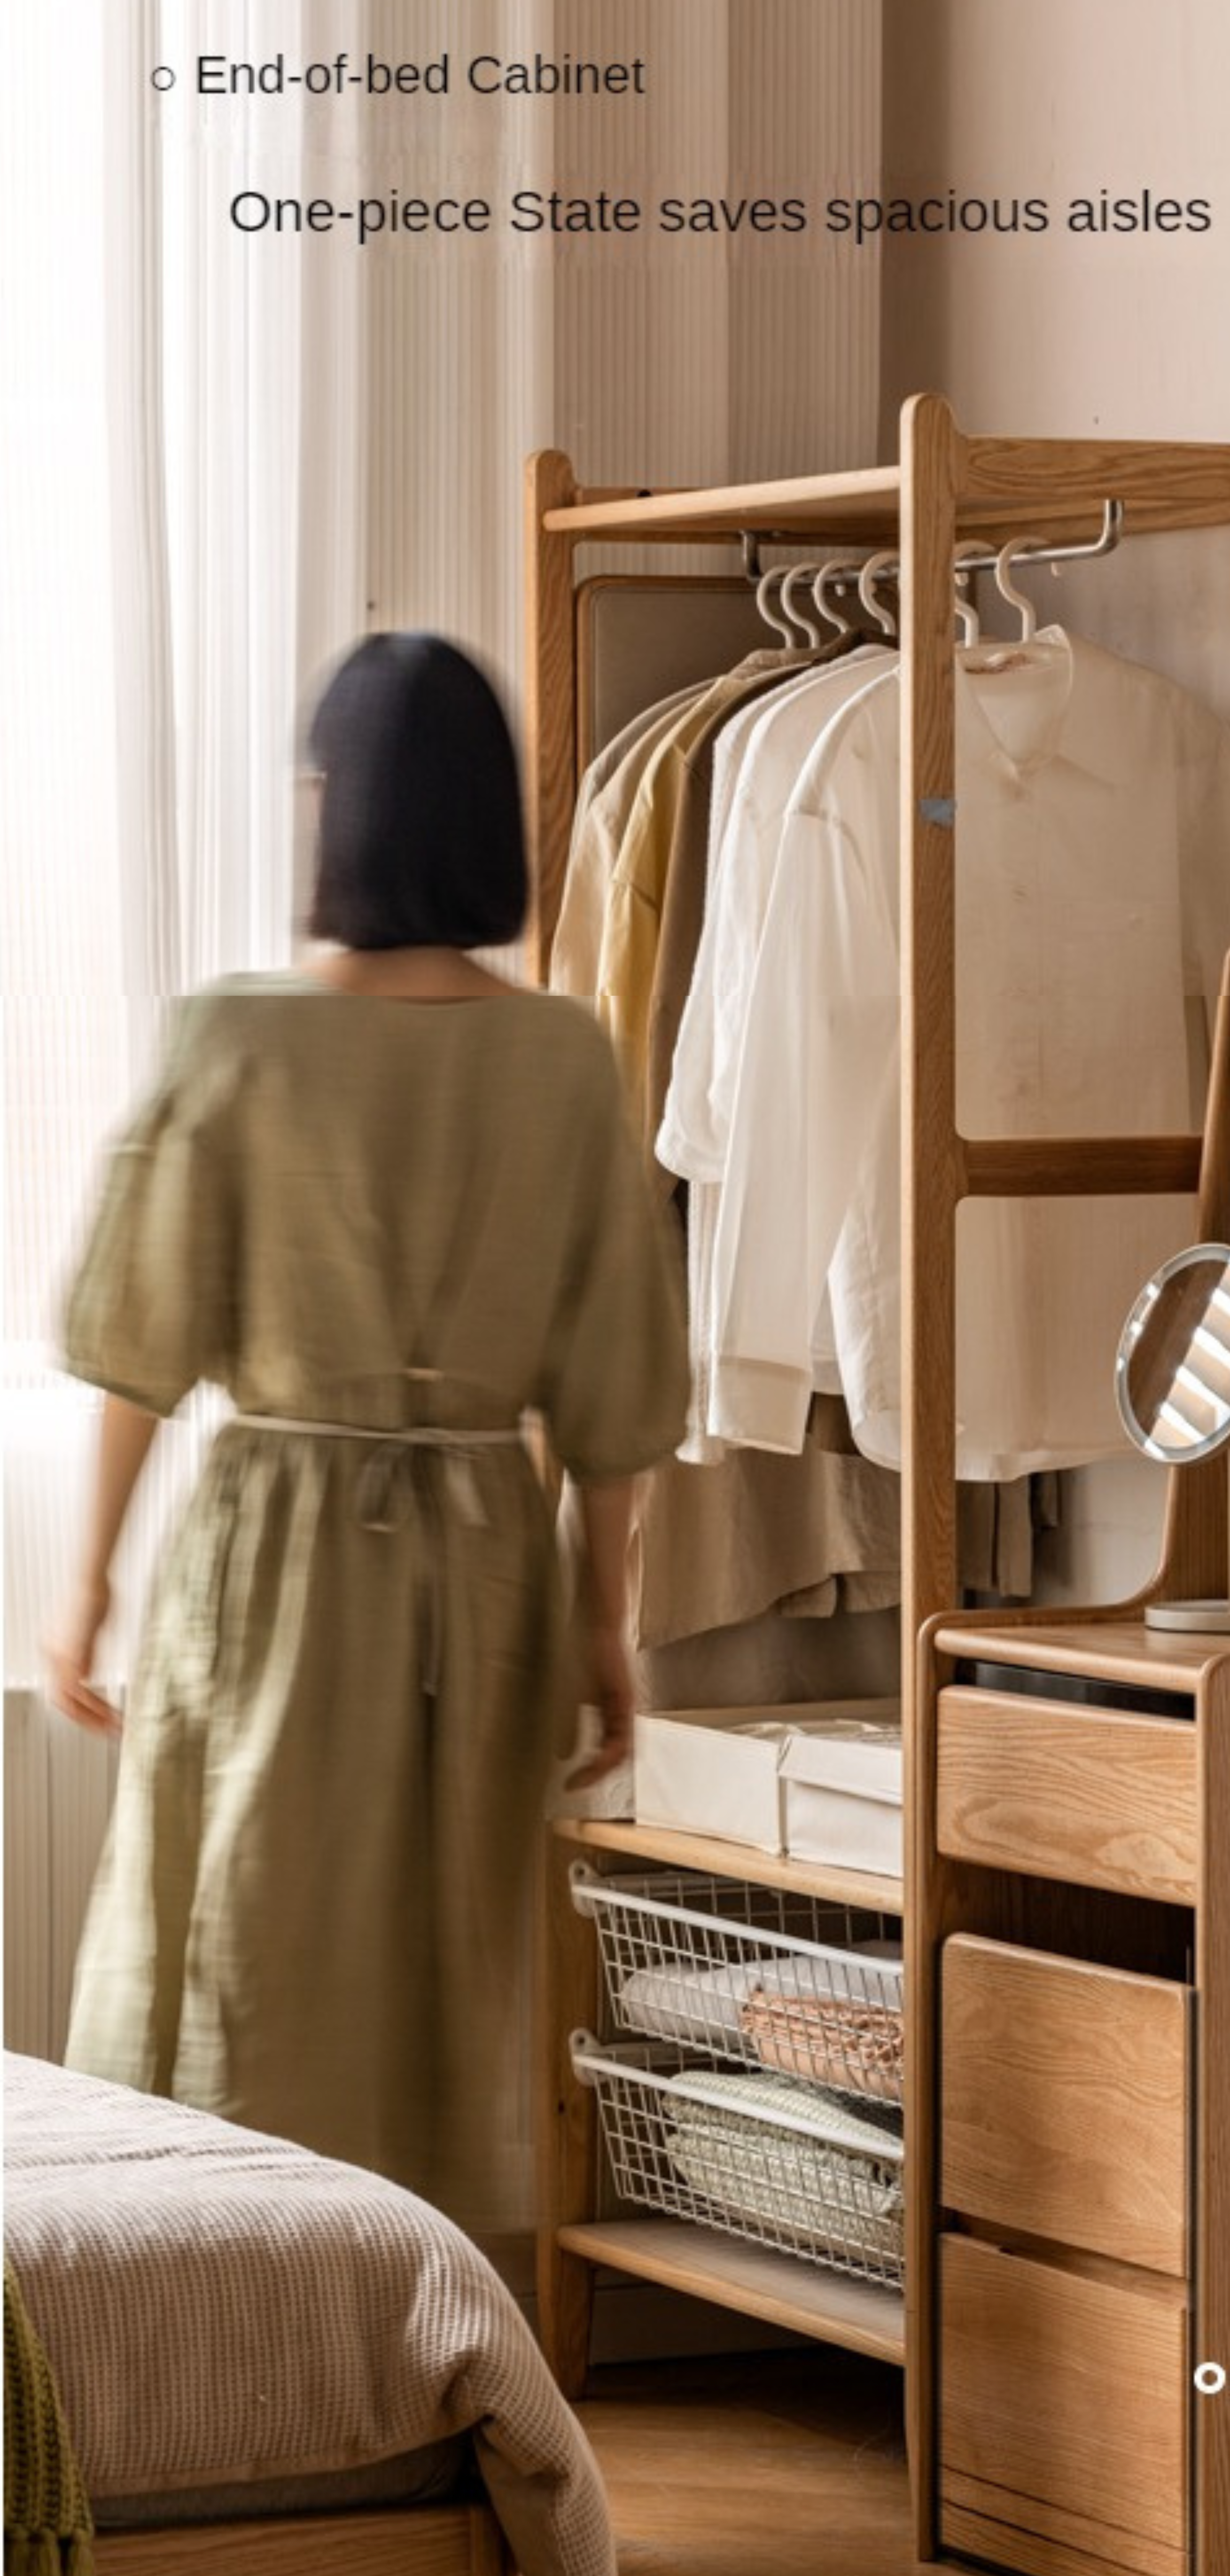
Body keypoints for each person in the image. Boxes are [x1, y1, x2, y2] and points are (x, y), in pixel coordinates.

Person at [42, 633, 688, 2227]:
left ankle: (204, 2328)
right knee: (437, 1978)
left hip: (271, 1552)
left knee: (231, 1945)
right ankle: (407, 2353)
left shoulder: (237, 1039)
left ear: (333, 811)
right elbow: (617, 1387)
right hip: (484, 1577)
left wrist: (89, 1586)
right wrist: (607, 1624)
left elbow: (141, 1345)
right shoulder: (560, 1057)